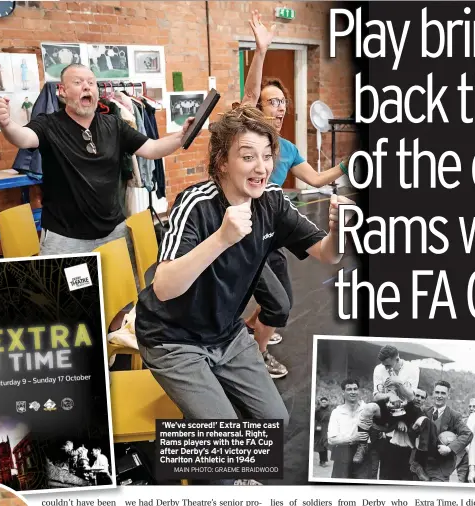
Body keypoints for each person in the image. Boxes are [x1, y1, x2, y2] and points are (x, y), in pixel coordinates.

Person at [135, 107, 353, 448]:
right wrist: (221, 238)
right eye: (248, 156)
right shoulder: (196, 203)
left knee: (275, 423)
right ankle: (209, 471)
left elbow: (328, 253)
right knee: (226, 439)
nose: (261, 167)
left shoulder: (272, 202)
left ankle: (228, 458)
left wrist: (338, 231)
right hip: (172, 338)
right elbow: (163, 287)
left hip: (225, 333)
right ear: (222, 162)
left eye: (267, 157)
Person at [239, 10, 353, 377]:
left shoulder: (286, 148)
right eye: (272, 101)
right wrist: (260, 51)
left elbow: (317, 179)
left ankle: (253, 328)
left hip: (274, 226)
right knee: (279, 300)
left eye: (282, 102)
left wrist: (351, 167)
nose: (279, 107)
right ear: (258, 107)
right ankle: (253, 358)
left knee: (274, 295)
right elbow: (248, 94)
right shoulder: (250, 134)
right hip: (244, 229)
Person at [0, 63, 193, 257]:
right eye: (77, 82)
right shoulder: (48, 124)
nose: (86, 86)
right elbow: (23, 139)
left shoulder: (114, 124)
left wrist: (181, 136)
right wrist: (6, 123)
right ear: (62, 91)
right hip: (65, 238)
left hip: (114, 233)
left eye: (91, 83)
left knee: (121, 294)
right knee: (65, 294)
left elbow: (152, 148)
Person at [372, 345, 420, 480]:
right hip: (388, 412)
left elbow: (411, 398)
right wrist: (389, 395)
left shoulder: (412, 369)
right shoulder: (379, 369)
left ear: (397, 359)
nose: (386, 369)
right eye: (384, 366)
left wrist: (399, 384)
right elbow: (376, 396)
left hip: (407, 412)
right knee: (387, 467)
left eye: (388, 365)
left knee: (404, 467)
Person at [414, 380, 472, 482]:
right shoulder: (423, 411)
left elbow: (468, 434)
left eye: (443, 393)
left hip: (440, 466)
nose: (439, 396)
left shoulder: (454, 415)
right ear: (432, 393)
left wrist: (449, 448)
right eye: (437, 392)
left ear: (448, 396)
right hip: (421, 465)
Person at [327, 379, 371, 479]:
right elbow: (331, 439)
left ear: (359, 391)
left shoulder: (367, 409)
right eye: (349, 389)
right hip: (342, 454)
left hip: (363, 454)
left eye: (355, 389)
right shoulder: (337, 412)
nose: (353, 392)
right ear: (343, 392)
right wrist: (352, 438)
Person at [314, 397, 332, 467]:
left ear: (327, 402)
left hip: (326, 428)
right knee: (319, 445)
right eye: (322, 402)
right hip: (318, 428)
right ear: (320, 402)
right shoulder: (317, 410)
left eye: (325, 402)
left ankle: (323, 461)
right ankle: (321, 461)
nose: (323, 403)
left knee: (325, 445)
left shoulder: (330, 410)